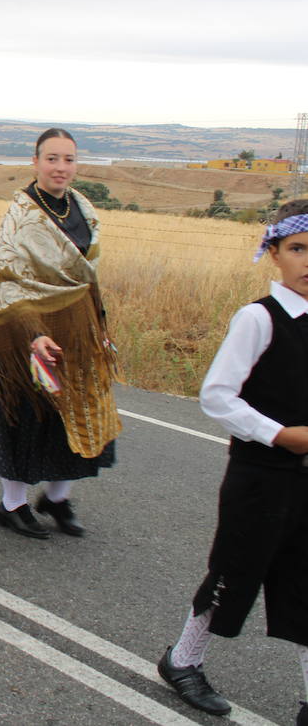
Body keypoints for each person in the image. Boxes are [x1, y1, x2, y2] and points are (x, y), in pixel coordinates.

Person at [156, 199, 308, 724]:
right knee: (234, 572)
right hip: (261, 477)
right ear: (273, 253)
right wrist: (279, 435)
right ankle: (183, 659)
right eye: (297, 249)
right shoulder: (258, 319)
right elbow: (218, 395)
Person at [0, 128, 119, 539]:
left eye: (68, 159)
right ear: (35, 162)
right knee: (27, 415)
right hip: (21, 328)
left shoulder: (83, 208)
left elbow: (87, 277)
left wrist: (101, 328)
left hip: (76, 326)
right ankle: (12, 505)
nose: (61, 167)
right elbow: (11, 279)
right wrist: (34, 335)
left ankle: (56, 499)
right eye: (52, 158)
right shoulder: (21, 214)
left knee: (83, 410)